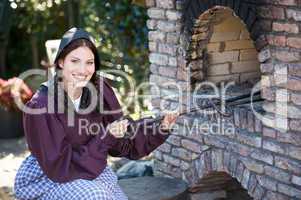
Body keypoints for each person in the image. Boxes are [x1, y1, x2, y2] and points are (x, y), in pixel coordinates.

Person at [14, 27, 178, 200]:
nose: (83, 70)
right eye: (75, 61)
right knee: (96, 195)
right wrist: (105, 138)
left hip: (91, 163)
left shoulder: (99, 90)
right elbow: (59, 167)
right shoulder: (42, 105)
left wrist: (160, 126)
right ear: (61, 62)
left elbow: (123, 137)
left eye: (89, 62)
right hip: (50, 174)